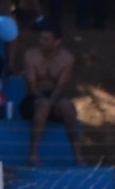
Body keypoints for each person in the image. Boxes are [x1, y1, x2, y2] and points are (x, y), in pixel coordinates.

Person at [21, 19, 81, 164]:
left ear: (57, 42)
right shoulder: (31, 55)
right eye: (41, 38)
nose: (42, 42)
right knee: (44, 105)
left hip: (56, 97)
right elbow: (32, 85)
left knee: (67, 106)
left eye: (46, 39)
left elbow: (61, 86)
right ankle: (34, 153)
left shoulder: (67, 59)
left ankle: (78, 154)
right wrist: (46, 101)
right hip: (33, 99)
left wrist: (52, 102)